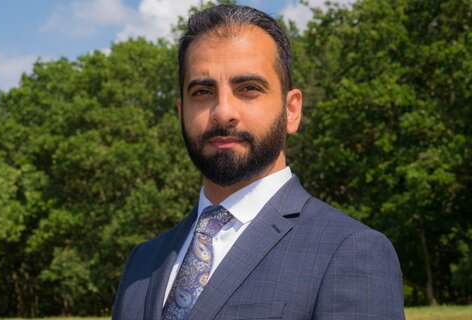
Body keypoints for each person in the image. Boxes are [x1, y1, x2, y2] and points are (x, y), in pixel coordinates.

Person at [112, 4, 405, 320]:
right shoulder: (143, 261)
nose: (223, 112)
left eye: (248, 88)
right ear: (181, 111)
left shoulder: (350, 251)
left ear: (291, 110)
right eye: (202, 91)